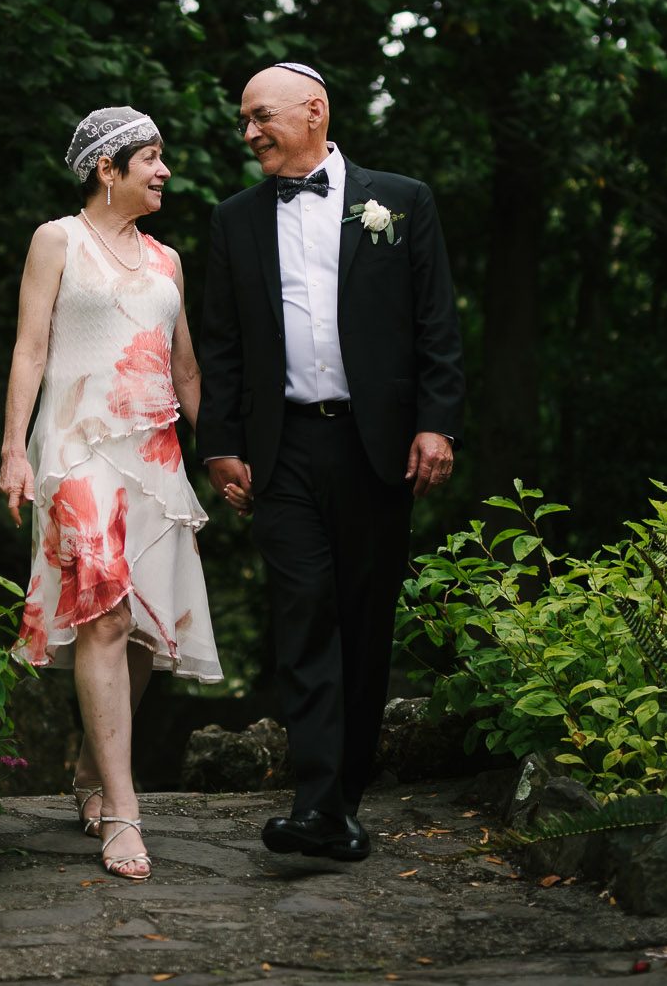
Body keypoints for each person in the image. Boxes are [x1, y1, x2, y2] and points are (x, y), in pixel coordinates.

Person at [196, 62, 462, 862]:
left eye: (260, 116)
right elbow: (223, 344)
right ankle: (315, 804)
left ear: (314, 111)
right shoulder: (233, 220)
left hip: (374, 445)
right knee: (303, 611)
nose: (248, 132)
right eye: (244, 119)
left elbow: (436, 324)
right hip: (284, 450)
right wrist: (220, 443)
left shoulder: (402, 200)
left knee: (365, 617)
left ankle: (344, 800)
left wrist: (437, 423)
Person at [0, 106, 222, 882]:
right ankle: (124, 813)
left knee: (136, 634)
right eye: (153, 158)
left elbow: (186, 370)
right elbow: (29, 348)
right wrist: (12, 450)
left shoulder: (169, 262)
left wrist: (222, 456)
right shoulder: (57, 239)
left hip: (153, 454)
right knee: (106, 612)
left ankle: (93, 772)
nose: (165, 171)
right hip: (74, 446)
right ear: (108, 167)